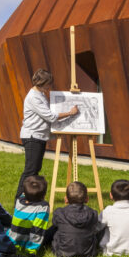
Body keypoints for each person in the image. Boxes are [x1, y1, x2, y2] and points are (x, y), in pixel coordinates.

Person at [17, 68, 79, 198]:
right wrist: (69, 113)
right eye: (48, 83)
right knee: (30, 170)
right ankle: (20, 198)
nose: (50, 86)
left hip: (39, 136)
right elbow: (50, 116)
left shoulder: (40, 94)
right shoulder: (34, 97)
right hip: (32, 135)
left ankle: (30, 197)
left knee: (35, 169)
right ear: (42, 82)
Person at [50, 181, 105, 257]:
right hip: (88, 254)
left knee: (54, 228)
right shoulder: (92, 214)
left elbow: (55, 224)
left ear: (66, 199)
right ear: (87, 199)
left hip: (62, 253)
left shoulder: (59, 213)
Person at [8, 175, 51, 254]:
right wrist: (31, 251)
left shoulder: (19, 200)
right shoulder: (42, 207)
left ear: (24, 192)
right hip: (26, 243)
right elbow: (38, 230)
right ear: (44, 195)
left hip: (12, 240)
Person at [99, 179, 129, 256]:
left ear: (111, 195)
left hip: (111, 252)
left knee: (102, 225)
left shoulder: (108, 211)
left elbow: (96, 227)